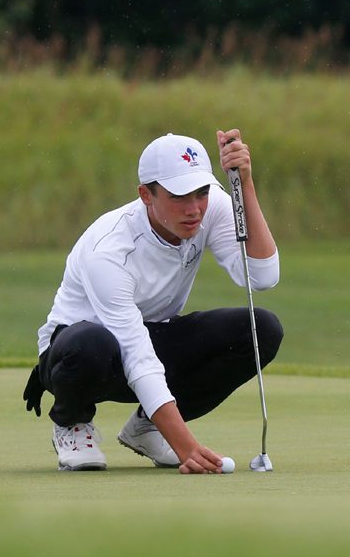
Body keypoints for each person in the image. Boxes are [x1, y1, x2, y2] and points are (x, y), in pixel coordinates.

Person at [23, 129, 283, 474]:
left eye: (201, 192)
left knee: (260, 328)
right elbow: (136, 354)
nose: (194, 209)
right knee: (92, 343)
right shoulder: (110, 248)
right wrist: (186, 446)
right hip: (78, 353)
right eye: (179, 197)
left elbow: (262, 277)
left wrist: (244, 185)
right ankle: (72, 423)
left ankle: (147, 427)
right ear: (146, 194)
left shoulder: (211, 208)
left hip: (154, 334)